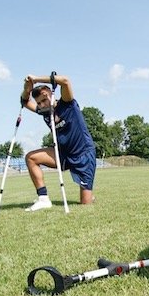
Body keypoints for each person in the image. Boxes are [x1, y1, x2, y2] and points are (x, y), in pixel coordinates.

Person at [20, 73, 96, 211]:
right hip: (62, 154)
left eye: (44, 99)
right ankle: (43, 199)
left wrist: (36, 79)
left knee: (85, 203)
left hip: (83, 154)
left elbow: (65, 81)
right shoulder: (44, 111)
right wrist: (27, 89)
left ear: (49, 93)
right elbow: (25, 102)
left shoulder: (67, 103)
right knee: (31, 158)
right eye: (39, 103)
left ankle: (89, 194)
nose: (42, 104)